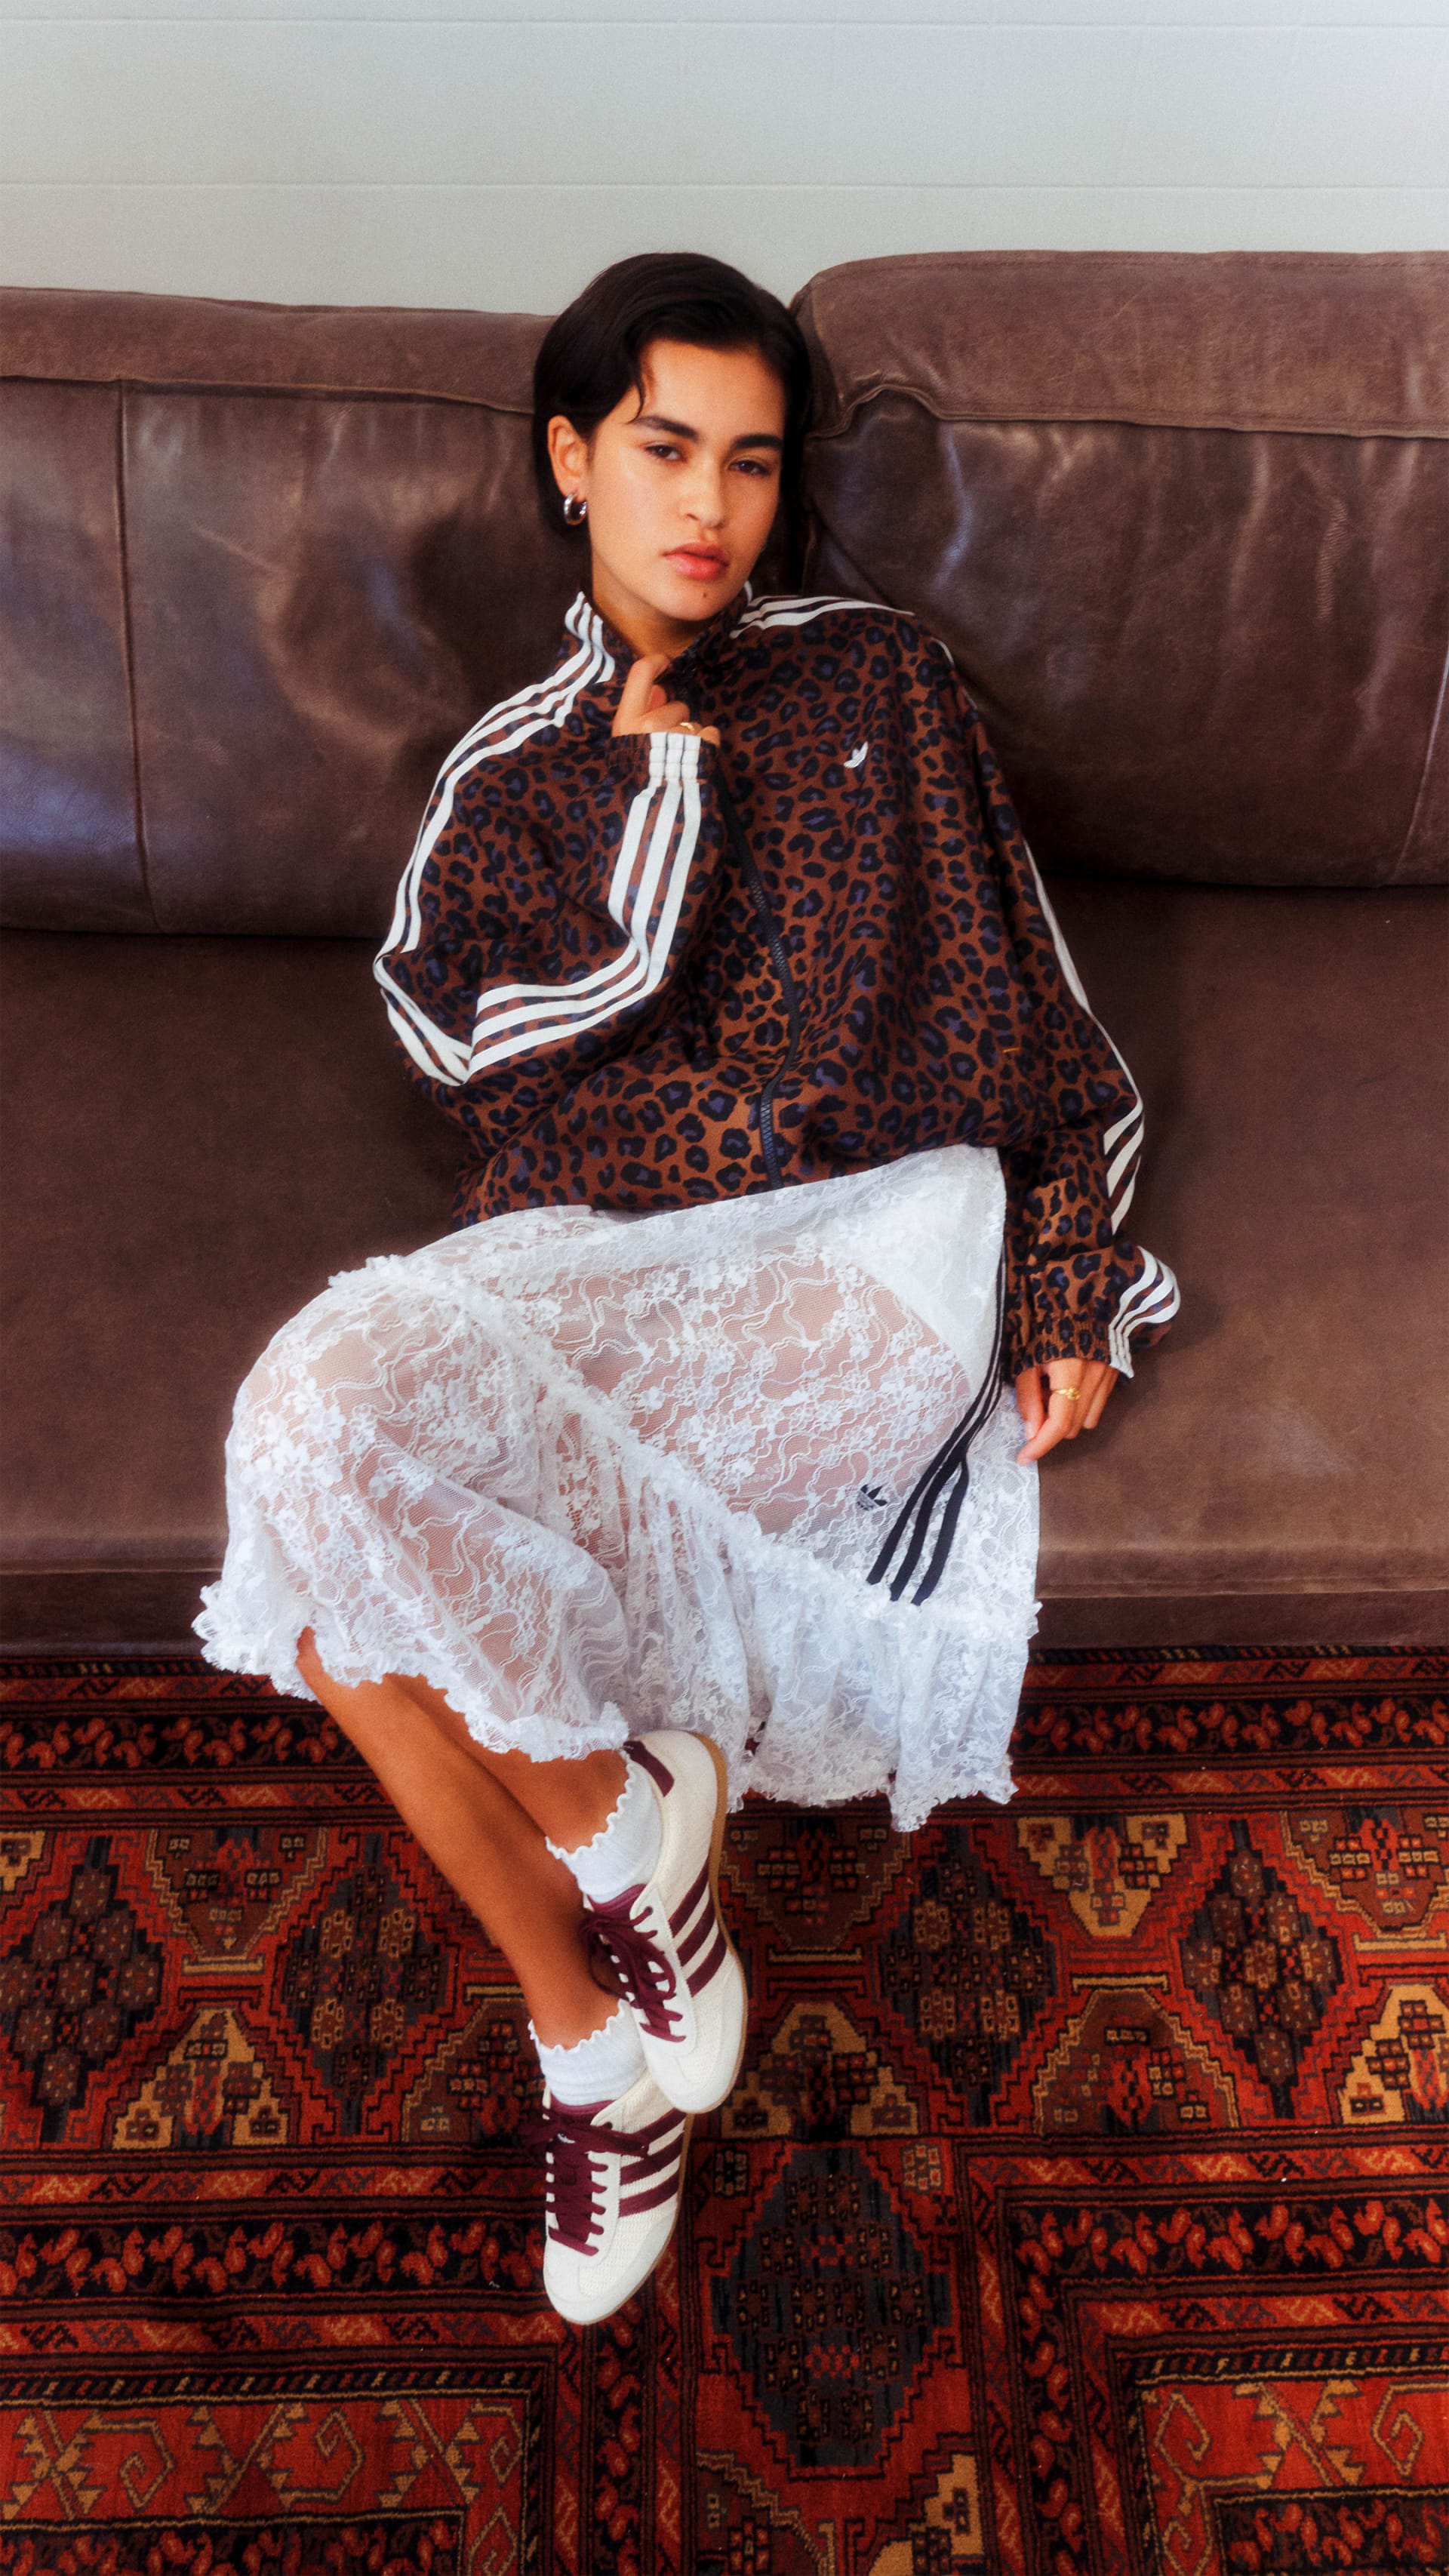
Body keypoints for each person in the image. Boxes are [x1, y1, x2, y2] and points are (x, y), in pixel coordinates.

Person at [197, 251, 1179, 2327]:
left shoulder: (881, 686)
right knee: (305, 1479)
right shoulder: (508, 779)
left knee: (324, 1502)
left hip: (864, 1266)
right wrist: (649, 788)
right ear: (570, 460)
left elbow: (1038, 1015)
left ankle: (622, 1872)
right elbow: (474, 1056)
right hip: (602, 1282)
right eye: (660, 451)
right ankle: (589, 2012)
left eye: (748, 459)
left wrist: (1067, 1274)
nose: (706, 505)